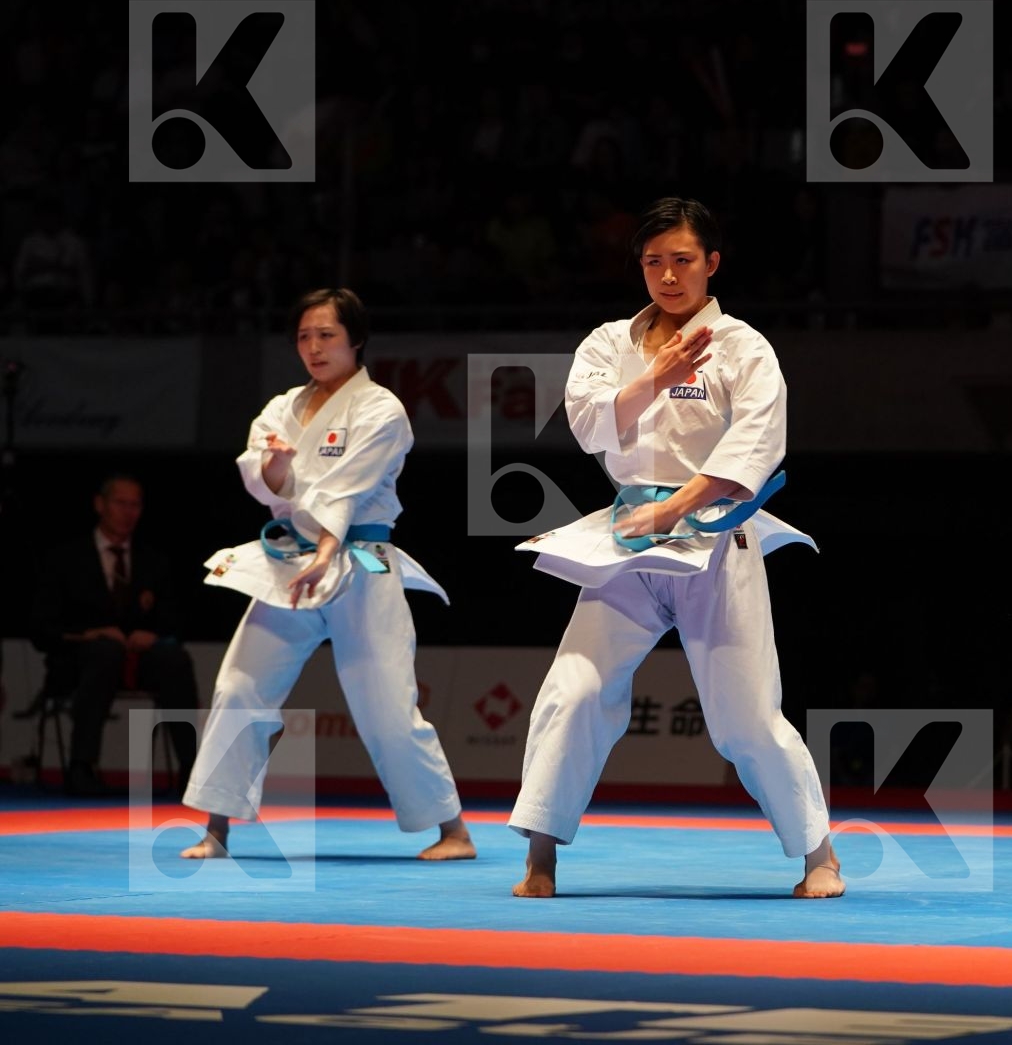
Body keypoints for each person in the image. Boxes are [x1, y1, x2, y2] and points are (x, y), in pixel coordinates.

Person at [508, 197, 840, 898]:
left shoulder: (744, 347)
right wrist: (656, 375)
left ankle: (820, 856)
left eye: (682, 259)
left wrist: (682, 507)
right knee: (573, 691)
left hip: (715, 537)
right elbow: (589, 424)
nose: (667, 274)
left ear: (712, 264)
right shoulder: (608, 343)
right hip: (628, 537)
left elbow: (760, 439)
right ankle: (540, 858)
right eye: (654, 261)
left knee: (747, 717)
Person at [180, 288, 473, 861]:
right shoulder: (282, 407)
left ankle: (453, 831)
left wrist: (328, 546)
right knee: (240, 685)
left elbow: (350, 487)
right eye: (304, 337)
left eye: (327, 336)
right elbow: (259, 478)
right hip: (291, 562)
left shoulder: (380, 409)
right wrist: (277, 469)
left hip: (360, 562)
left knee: (387, 702)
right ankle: (217, 829)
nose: (313, 348)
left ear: (356, 339)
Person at [31, 475, 199, 795]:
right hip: (81, 661)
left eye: (135, 505)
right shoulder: (65, 559)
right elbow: (42, 628)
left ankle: (191, 770)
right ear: (100, 505)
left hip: (137, 661)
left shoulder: (154, 561)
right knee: (105, 651)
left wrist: (152, 634)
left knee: (173, 658)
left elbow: (176, 621)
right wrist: (87, 634)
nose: (128, 512)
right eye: (121, 503)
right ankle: (82, 766)